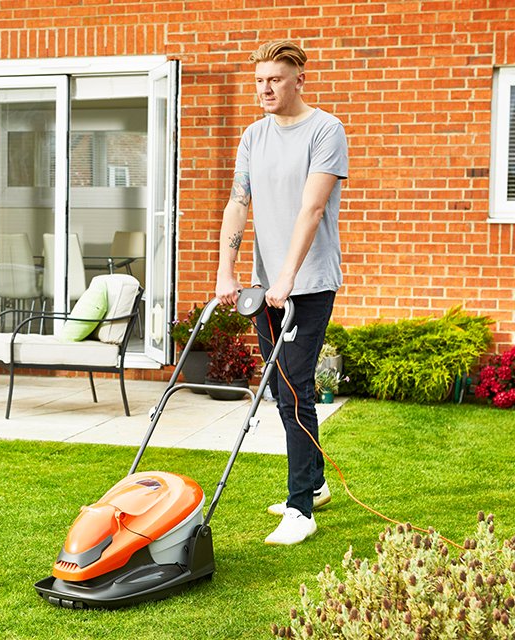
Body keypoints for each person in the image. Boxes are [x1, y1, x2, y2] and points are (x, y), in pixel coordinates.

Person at [214, 40, 349, 546]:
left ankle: (301, 510)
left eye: (274, 79)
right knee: (279, 387)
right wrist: (226, 272)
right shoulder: (253, 135)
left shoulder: (325, 130)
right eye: (258, 81)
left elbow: (312, 209)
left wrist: (288, 277)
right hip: (266, 286)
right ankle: (313, 485)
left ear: (299, 79)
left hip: (308, 283)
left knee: (295, 386)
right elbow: (237, 202)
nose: (264, 89)